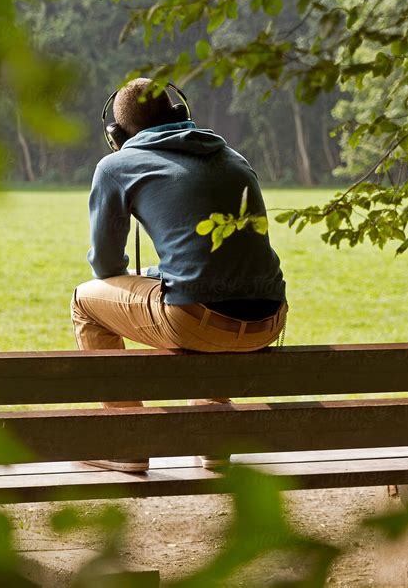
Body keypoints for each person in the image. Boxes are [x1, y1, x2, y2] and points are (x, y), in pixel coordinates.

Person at [71, 78, 287, 472]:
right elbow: (223, 260)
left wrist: (137, 275)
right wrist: (153, 273)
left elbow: (105, 268)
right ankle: (214, 439)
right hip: (268, 321)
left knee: (85, 300)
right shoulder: (234, 158)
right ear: (179, 113)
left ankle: (128, 442)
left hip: (198, 322)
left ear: (116, 135)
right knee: (202, 295)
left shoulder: (117, 166)